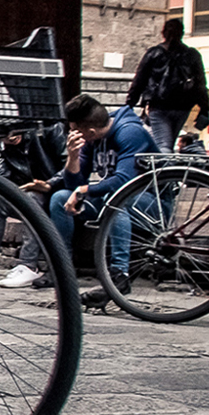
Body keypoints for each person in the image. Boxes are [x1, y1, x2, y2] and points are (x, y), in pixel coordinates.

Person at [49, 93, 158, 307]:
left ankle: (119, 273)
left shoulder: (129, 133)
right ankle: (63, 267)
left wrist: (84, 190)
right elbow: (73, 186)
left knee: (114, 196)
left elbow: (124, 182)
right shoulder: (93, 139)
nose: (71, 134)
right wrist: (72, 157)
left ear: (89, 131)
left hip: (150, 203)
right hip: (116, 201)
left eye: (74, 130)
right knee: (59, 198)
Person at [0, 122, 67, 289]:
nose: (11, 137)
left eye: (15, 132)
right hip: (28, 192)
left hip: (57, 193)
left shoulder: (50, 128)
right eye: (6, 136)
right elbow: (4, 176)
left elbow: (69, 165)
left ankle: (28, 266)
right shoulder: (0, 145)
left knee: (32, 200)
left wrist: (49, 184)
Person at [125, 17, 209, 151]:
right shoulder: (192, 55)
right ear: (182, 33)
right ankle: (167, 169)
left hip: (158, 106)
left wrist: (129, 104)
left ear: (163, 33)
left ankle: (164, 170)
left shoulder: (153, 53)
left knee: (163, 144)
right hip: (183, 106)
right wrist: (204, 110)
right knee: (168, 142)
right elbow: (200, 84)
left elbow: (139, 81)